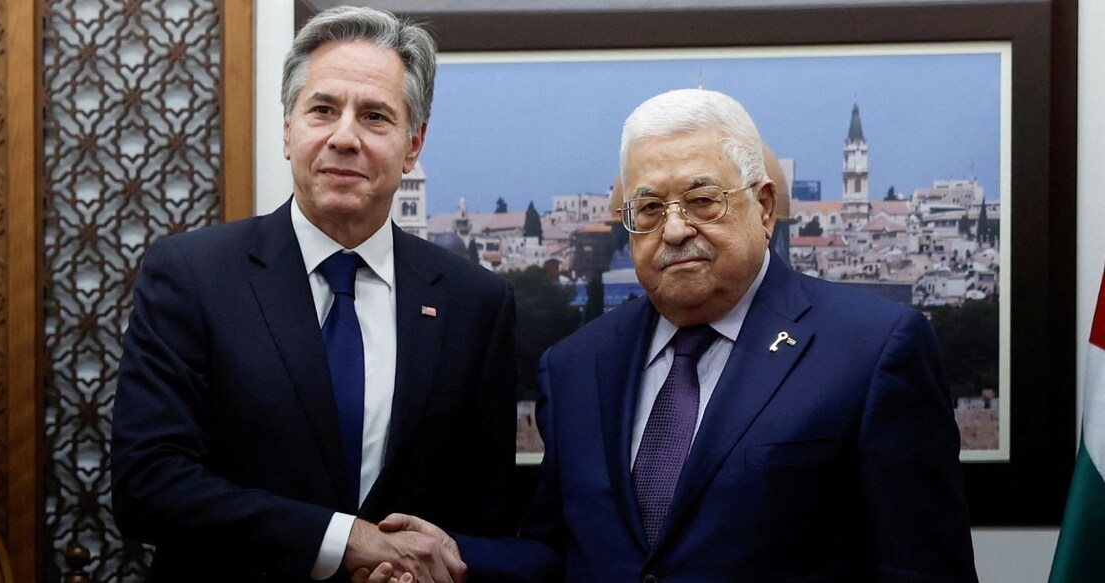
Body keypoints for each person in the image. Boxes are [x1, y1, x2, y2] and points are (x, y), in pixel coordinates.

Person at [372, 88, 978, 581]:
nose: (675, 229)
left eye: (702, 199)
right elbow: (563, 558)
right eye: (649, 209)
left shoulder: (871, 351)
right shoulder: (577, 366)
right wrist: (450, 557)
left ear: (765, 207)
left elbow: (922, 569)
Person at [111, 7, 515, 582]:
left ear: (413, 145)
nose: (344, 138)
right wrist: (344, 540)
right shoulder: (190, 276)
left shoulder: (474, 303)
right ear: (287, 129)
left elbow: (488, 516)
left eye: (375, 116)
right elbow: (146, 485)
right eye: (323, 110)